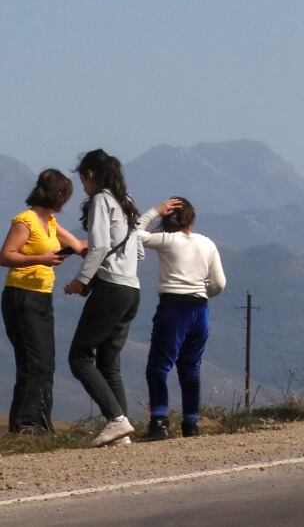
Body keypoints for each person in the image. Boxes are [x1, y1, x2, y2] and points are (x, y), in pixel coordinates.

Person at [65, 149, 143, 447]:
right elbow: (137, 250)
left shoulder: (100, 200)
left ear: (91, 174)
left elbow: (98, 247)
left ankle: (116, 419)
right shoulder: (127, 201)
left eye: (83, 178)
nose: (83, 185)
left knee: (80, 356)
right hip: (131, 288)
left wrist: (80, 281)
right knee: (109, 360)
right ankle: (120, 431)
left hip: (110, 288)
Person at [2, 169, 83, 435]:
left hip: (42, 295)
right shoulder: (26, 220)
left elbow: (78, 245)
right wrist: (40, 259)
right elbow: (6, 256)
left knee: (46, 360)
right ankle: (24, 424)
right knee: (33, 360)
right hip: (22, 294)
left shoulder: (50, 222)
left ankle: (41, 422)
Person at [137, 196, 226, 439]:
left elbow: (135, 233)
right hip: (200, 310)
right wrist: (202, 290)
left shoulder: (167, 240)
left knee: (159, 365)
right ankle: (191, 423)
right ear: (192, 218)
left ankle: (159, 421)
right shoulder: (207, 244)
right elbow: (219, 283)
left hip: (173, 308)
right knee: (190, 367)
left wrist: (154, 210)